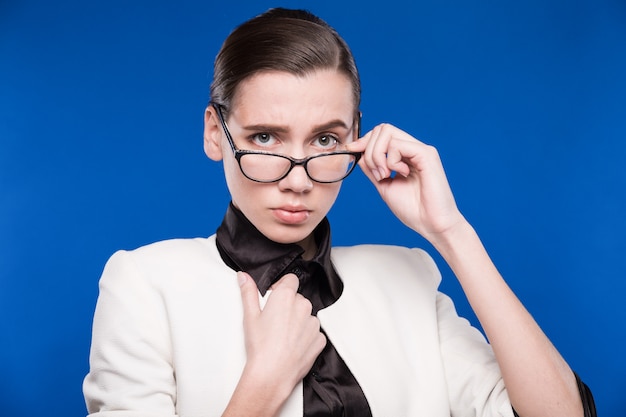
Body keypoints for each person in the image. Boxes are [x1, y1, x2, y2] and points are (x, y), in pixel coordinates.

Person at [83, 7, 596, 417]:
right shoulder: (145, 284)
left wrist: (450, 232)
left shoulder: (407, 276)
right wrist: (262, 387)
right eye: (265, 137)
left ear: (355, 137)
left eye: (326, 140)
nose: (299, 179)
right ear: (216, 133)